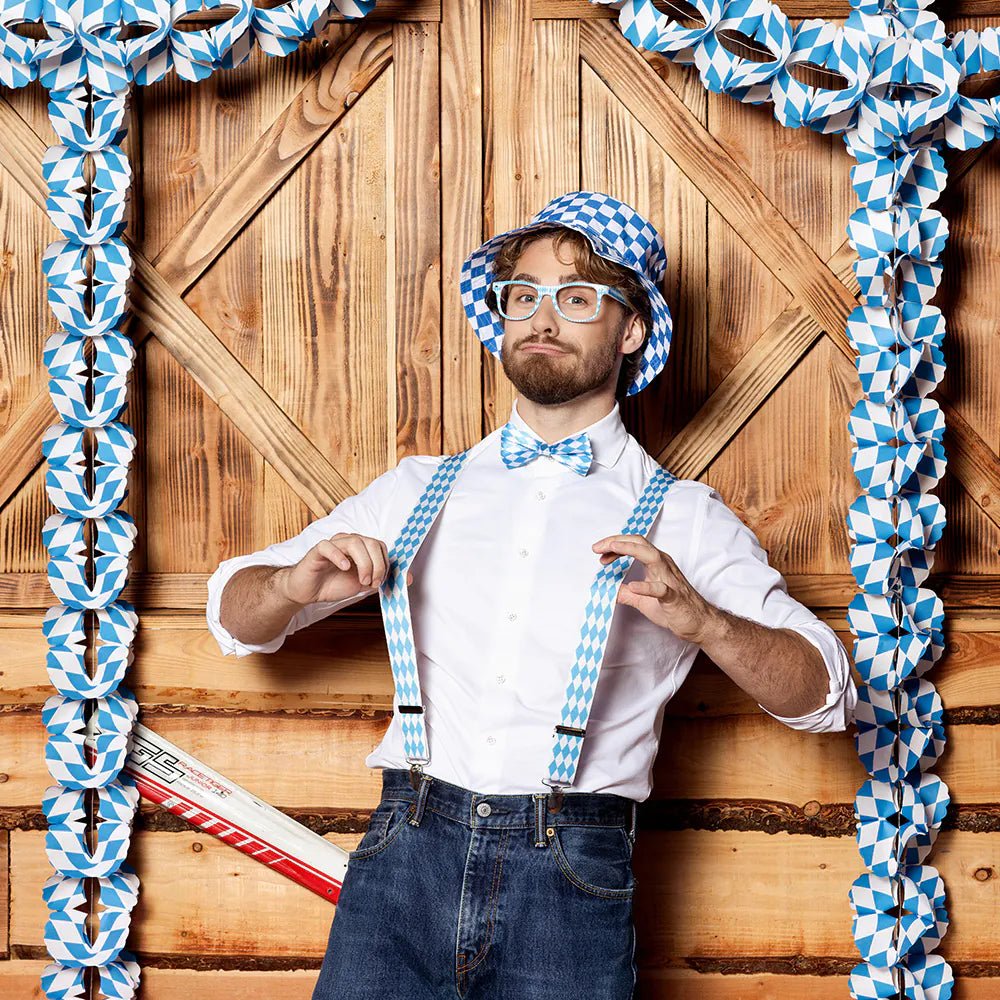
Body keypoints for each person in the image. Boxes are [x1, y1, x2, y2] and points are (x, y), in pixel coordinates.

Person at [205, 191, 857, 1000]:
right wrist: (290, 584)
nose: (542, 318)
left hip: (571, 873)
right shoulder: (418, 489)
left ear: (631, 330)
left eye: (576, 298)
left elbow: (827, 693)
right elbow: (233, 615)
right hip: (403, 855)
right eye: (523, 295)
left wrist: (708, 624)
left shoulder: (684, 517)